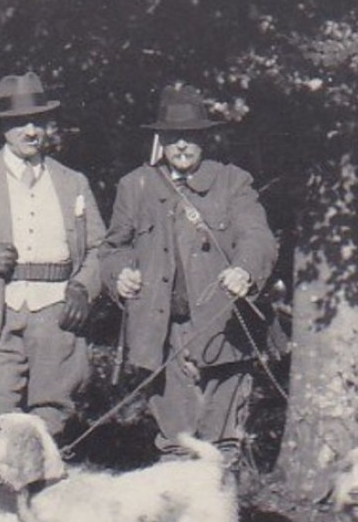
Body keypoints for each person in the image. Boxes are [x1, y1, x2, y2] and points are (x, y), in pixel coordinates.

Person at [101, 82, 278, 466]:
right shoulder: (136, 185)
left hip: (223, 329)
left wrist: (244, 270)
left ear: (204, 140)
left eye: (191, 138)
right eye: (173, 138)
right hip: (162, 332)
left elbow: (258, 237)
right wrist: (118, 275)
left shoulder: (233, 182)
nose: (181, 146)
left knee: (222, 447)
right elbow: (113, 248)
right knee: (176, 446)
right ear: (160, 140)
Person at [0, 72, 105, 438]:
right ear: (3, 128)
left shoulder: (73, 182)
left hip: (56, 315)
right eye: (19, 123)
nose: (30, 131)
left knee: (53, 420)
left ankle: (47, 493)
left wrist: (83, 288)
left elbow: (99, 249)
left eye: (37, 122)